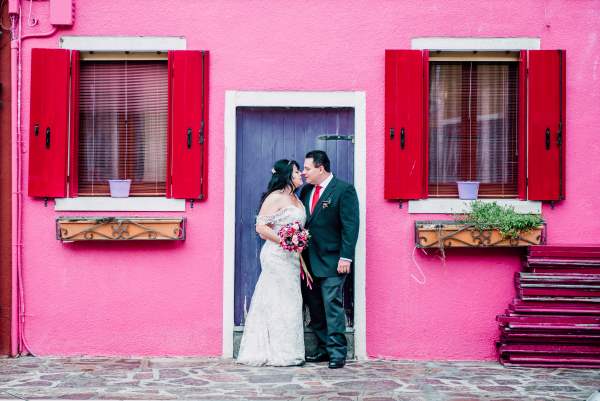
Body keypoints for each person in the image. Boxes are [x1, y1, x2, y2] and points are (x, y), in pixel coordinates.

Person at [236, 159, 306, 366]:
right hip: (276, 256)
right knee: (278, 299)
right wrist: (286, 241)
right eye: (296, 171)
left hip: (292, 257)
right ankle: (276, 351)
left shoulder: (296, 198)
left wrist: (298, 240)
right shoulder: (275, 197)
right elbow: (261, 228)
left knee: (291, 300)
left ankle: (289, 350)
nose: (300, 174)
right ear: (286, 176)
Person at [300, 150, 359, 369]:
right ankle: (324, 348)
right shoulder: (306, 191)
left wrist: (346, 257)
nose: (304, 173)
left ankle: (337, 352)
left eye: (307, 169)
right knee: (315, 308)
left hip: (334, 260)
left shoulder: (344, 190)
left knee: (331, 305)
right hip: (308, 261)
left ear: (321, 168)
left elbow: (350, 227)